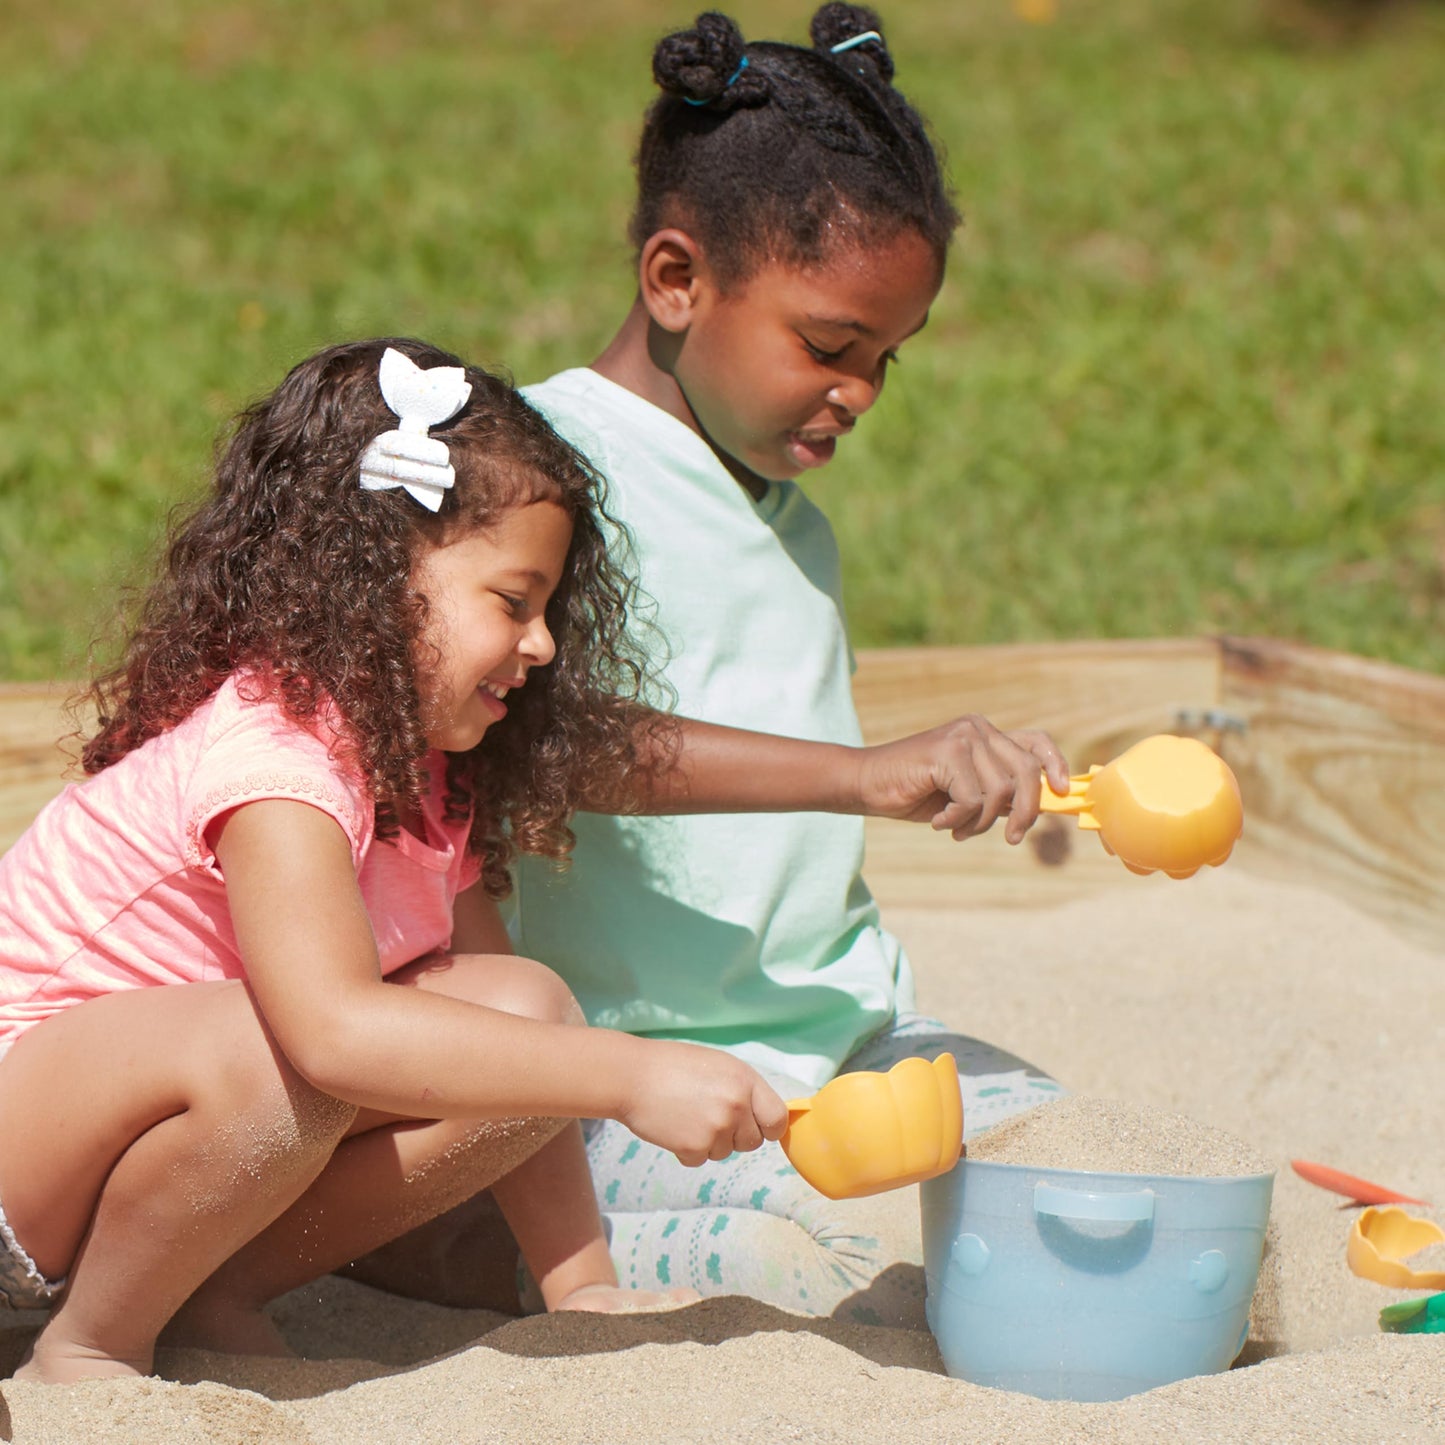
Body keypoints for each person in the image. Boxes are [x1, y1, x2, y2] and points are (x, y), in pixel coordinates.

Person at [362, 5, 1071, 1329]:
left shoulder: (791, 522)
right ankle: (446, 1244)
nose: (861, 391)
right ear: (676, 279)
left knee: (1074, 1165)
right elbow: (548, 739)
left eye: (887, 358)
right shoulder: (545, 481)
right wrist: (858, 774)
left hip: (840, 1042)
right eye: (829, 346)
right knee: (823, 1272)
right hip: (633, 1066)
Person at [0, 338, 796, 1384]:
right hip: (22, 1163)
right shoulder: (277, 760)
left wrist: (582, 1286)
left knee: (523, 1011)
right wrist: (632, 1074)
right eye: (512, 601)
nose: (543, 643)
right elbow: (331, 1030)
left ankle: (208, 1292)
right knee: (289, 1051)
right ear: (374, 581)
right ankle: (93, 1343)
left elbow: (516, 1038)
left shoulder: (421, 776)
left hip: (125, 1193)